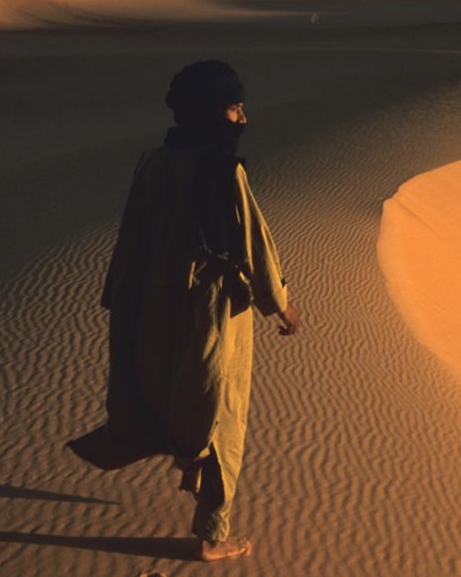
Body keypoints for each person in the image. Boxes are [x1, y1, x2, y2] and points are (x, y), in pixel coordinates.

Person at [66, 60, 302, 562]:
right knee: (220, 416)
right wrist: (280, 305)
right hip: (213, 312)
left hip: (152, 304)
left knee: (167, 390)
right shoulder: (224, 170)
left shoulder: (152, 162)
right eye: (233, 107)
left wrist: (118, 296)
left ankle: (141, 448)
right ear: (208, 113)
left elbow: (130, 236)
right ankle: (214, 535)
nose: (242, 119)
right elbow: (255, 244)